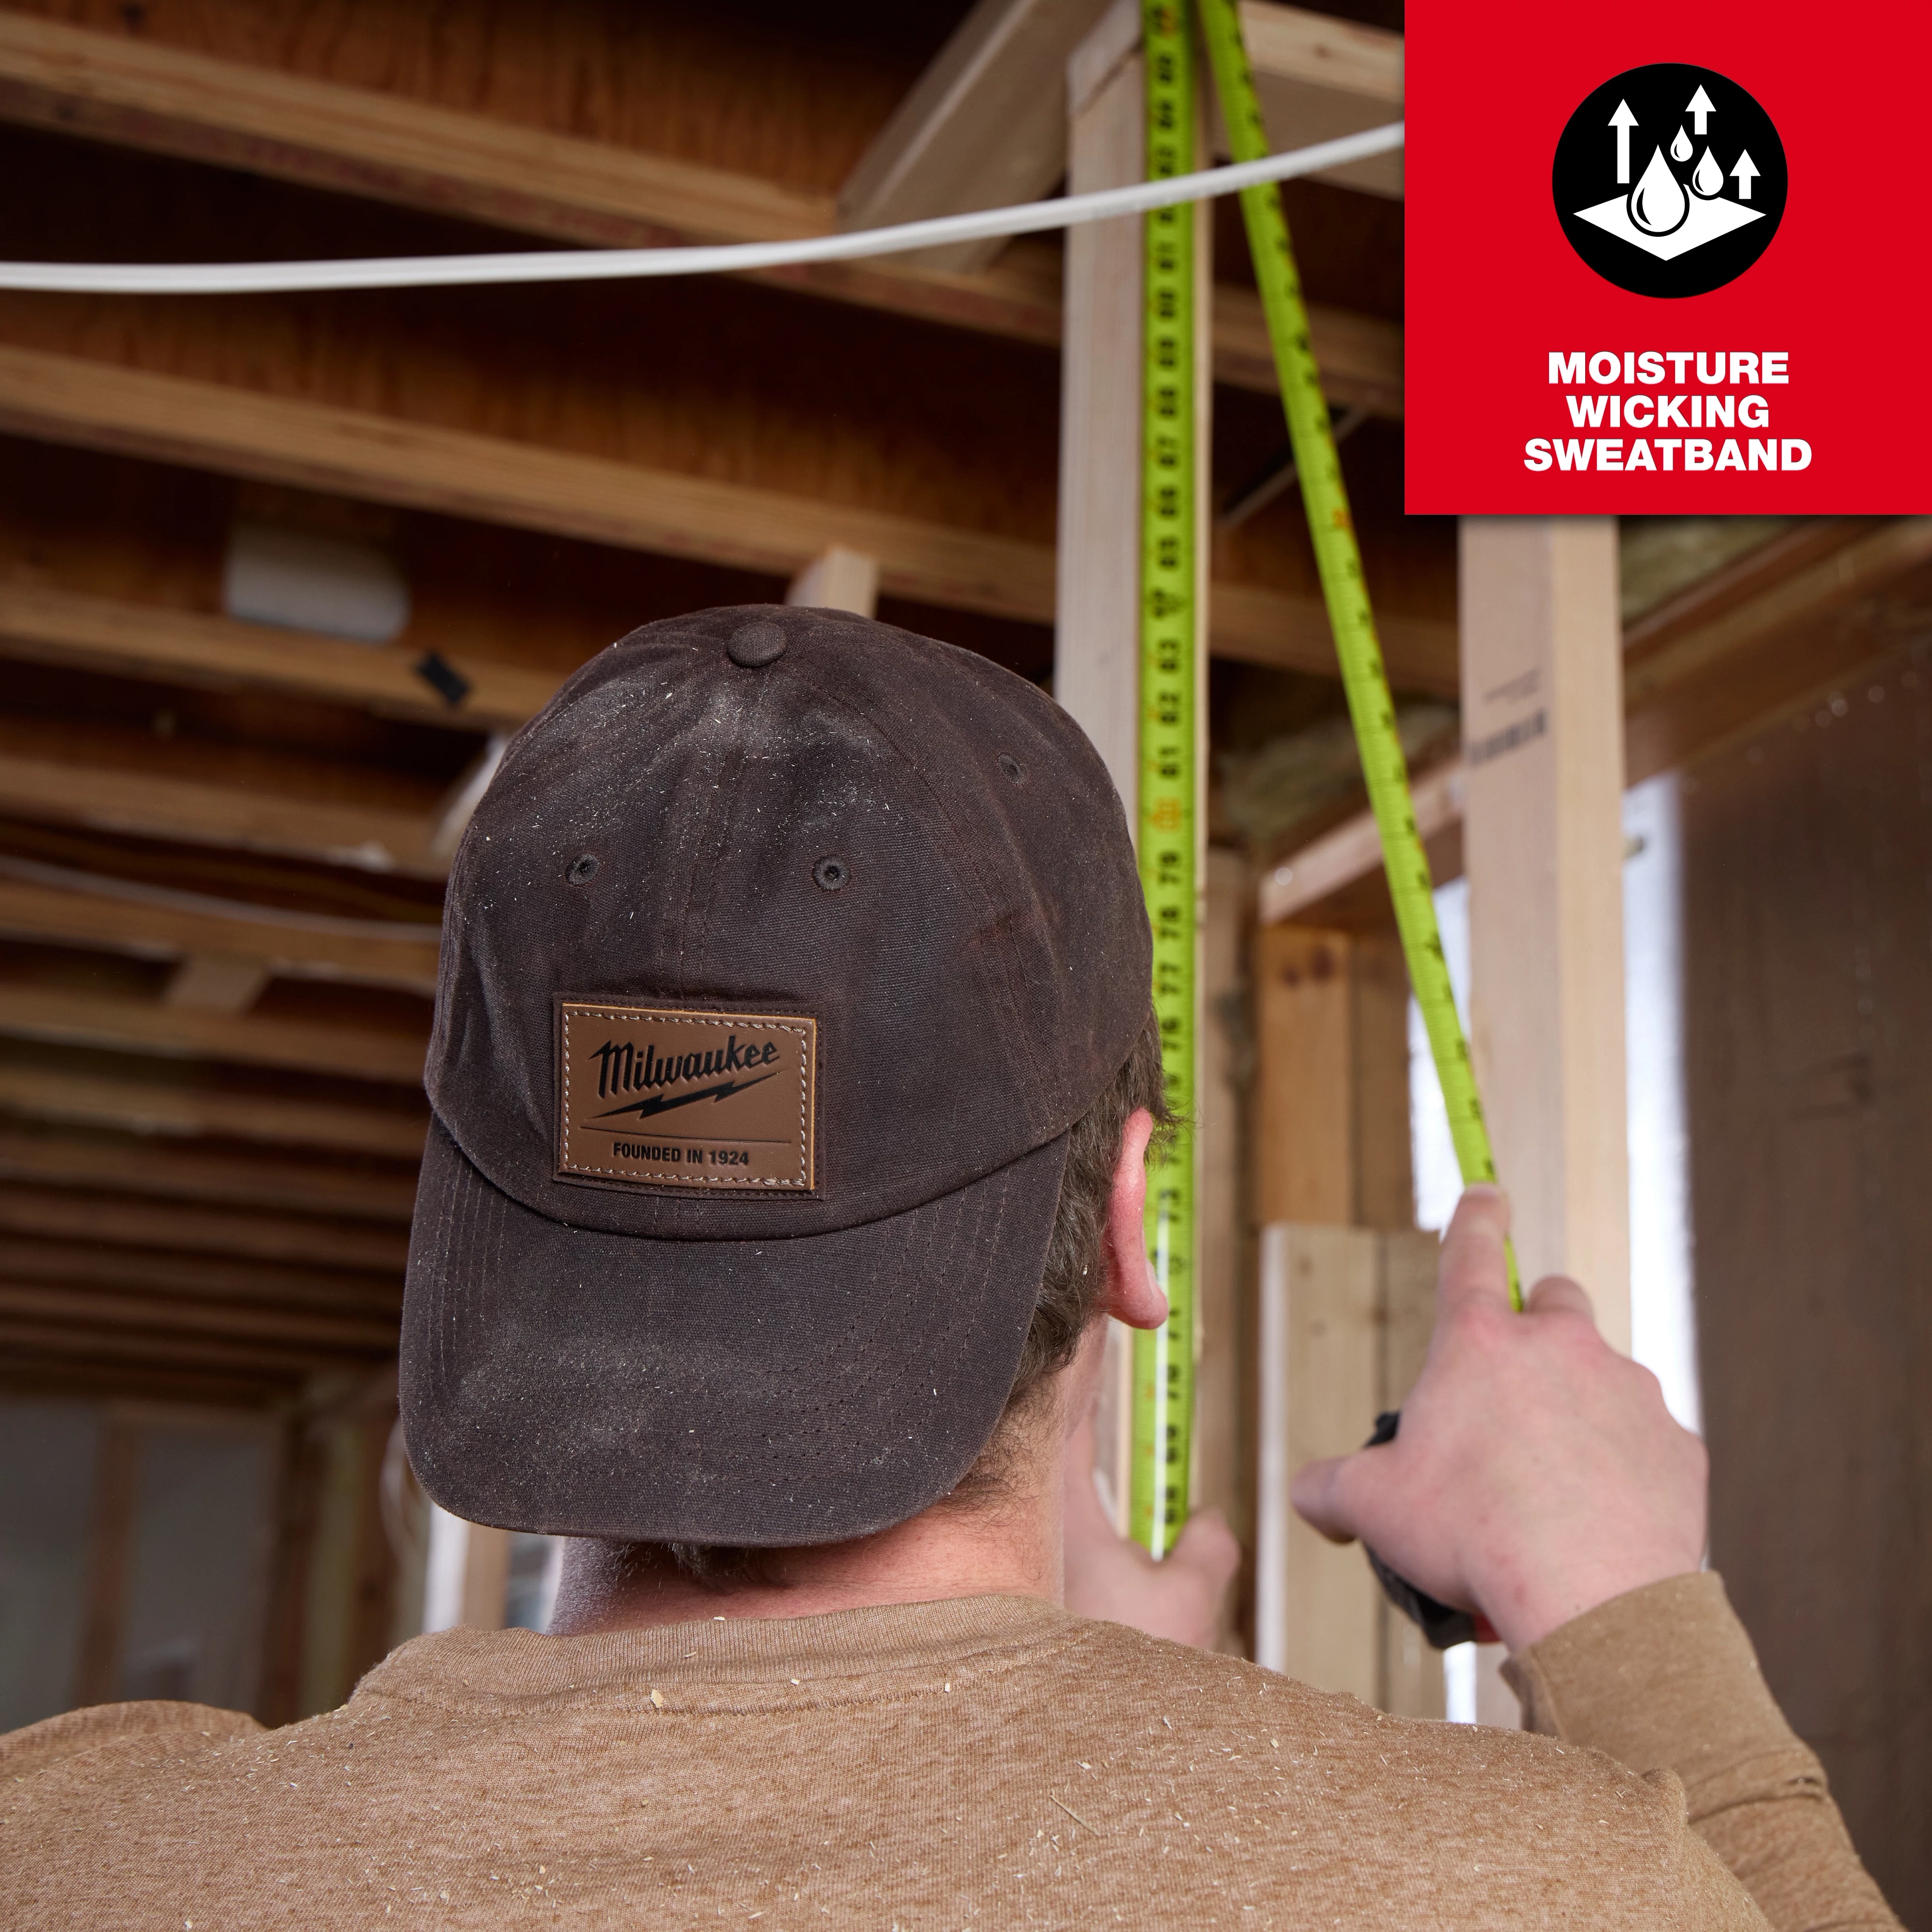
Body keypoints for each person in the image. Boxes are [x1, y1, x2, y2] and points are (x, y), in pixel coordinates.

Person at [4, 607, 1898, 1930]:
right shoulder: (1536, 1892)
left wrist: (1088, 1740)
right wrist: (1626, 1616)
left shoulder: (69, 1852)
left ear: (473, 1224)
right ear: (1133, 1218)